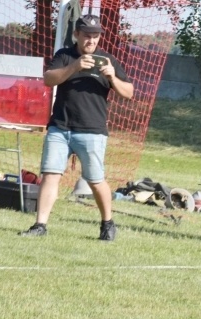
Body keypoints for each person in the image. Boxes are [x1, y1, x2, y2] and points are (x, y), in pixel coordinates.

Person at [19, 14, 134, 240]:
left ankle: (107, 223)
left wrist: (112, 77)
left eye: (95, 36)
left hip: (92, 130)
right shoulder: (64, 56)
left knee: (95, 179)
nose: (91, 40)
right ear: (76, 35)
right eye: (87, 36)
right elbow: (49, 79)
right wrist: (74, 66)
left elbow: (129, 92)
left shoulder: (108, 60)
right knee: (50, 174)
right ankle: (40, 225)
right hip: (60, 127)